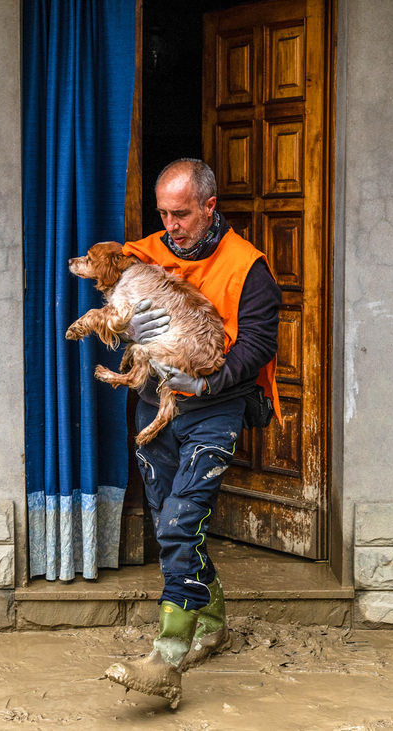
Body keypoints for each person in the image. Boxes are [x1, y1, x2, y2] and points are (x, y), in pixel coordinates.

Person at [103, 158, 282, 706]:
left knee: (182, 519)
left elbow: (257, 346)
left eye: (180, 214)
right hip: (155, 402)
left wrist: (205, 385)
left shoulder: (248, 266)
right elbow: (111, 316)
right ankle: (214, 620)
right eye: (162, 213)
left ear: (209, 206)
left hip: (215, 406)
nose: (170, 225)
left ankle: (168, 653)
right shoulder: (145, 253)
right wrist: (123, 322)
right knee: (169, 518)